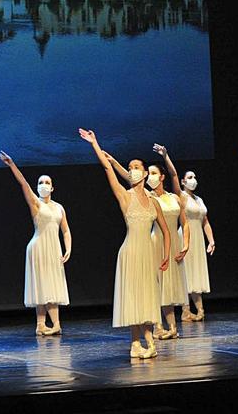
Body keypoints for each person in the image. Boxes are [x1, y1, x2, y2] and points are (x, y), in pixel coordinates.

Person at [79, 129, 170, 359]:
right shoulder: (124, 195)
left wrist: (166, 255)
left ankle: (139, 343)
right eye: (129, 168)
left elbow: (166, 232)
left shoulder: (153, 201)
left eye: (136, 167)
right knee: (134, 296)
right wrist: (94, 144)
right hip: (130, 251)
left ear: (145, 172)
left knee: (146, 296)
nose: (132, 170)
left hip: (148, 253)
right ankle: (139, 342)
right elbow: (108, 168)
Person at [0, 151, 71, 336]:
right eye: (40, 183)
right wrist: (12, 164)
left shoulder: (59, 207)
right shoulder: (36, 204)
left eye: (47, 183)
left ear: (53, 188)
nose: (43, 185)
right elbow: (23, 182)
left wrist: (68, 248)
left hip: (54, 248)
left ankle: (47, 324)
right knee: (42, 285)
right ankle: (48, 324)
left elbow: (66, 230)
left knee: (51, 285)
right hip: (38, 247)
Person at [150, 148, 216, 321]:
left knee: (196, 274)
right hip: (183, 237)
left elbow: (205, 221)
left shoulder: (199, 200)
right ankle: (186, 310)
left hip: (198, 238)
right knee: (185, 273)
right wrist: (165, 156)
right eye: (189, 178)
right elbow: (172, 174)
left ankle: (200, 311)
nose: (193, 180)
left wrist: (211, 241)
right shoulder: (181, 196)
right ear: (183, 181)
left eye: (195, 177)